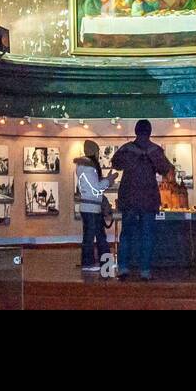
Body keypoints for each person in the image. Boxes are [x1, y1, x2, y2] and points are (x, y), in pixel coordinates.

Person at [111, 120, 174, 280]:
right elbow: (166, 169)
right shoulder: (155, 150)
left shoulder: (126, 149)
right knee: (147, 235)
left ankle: (123, 268)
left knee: (126, 234)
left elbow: (115, 163)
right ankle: (145, 271)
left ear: (136, 131)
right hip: (148, 199)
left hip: (129, 199)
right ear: (150, 132)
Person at [75, 140, 115, 272]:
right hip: (91, 209)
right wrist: (108, 181)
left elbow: (94, 187)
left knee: (97, 235)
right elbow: (96, 188)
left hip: (91, 208)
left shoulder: (85, 167)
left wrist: (106, 181)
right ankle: (88, 263)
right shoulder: (88, 168)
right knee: (91, 236)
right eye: (97, 151)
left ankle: (105, 263)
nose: (99, 154)